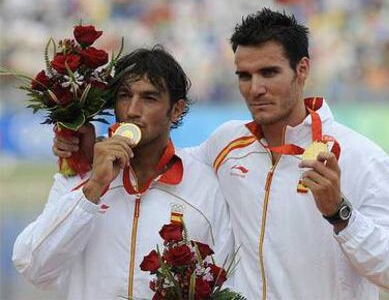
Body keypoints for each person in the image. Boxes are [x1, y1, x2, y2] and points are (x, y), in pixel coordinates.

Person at [51, 9, 389, 300]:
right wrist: (83, 151)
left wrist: (340, 213)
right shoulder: (226, 145)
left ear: (302, 69)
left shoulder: (361, 157)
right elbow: (159, 157)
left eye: (269, 72)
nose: (255, 89)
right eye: (244, 75)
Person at [12, 46, 234, 300]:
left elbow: (226, 281)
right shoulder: (81, 176)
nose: (132, 110)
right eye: (124, 96)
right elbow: (33, 268)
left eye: (149, 98)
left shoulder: (205, 185)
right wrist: (94, 188)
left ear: (176, 110)